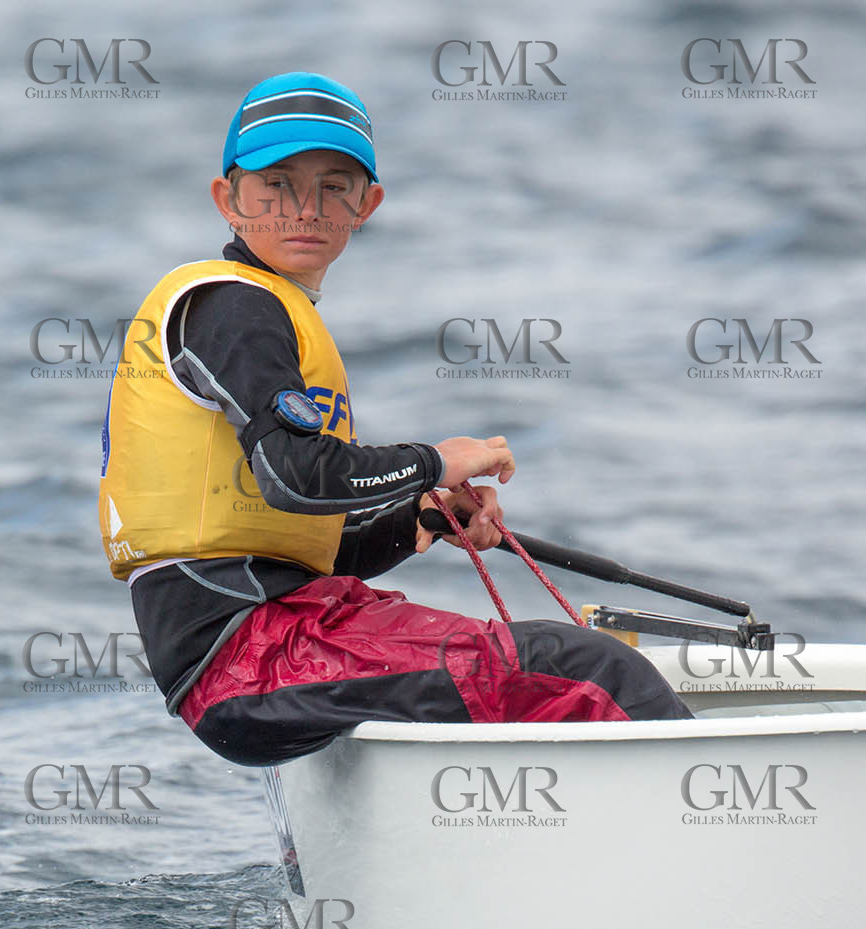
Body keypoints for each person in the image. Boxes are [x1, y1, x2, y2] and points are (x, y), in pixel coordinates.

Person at [98, 72, 692, 766]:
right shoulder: (235, 308)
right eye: (278, 184)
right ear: (227, 198)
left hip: (258, 652)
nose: (305, 208)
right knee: (590, 669)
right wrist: (435, 462)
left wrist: (422, 518)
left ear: (367, 204)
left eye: (333, 186)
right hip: (253, 653)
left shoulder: (265, 313)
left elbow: (303, 540)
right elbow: (297, 478)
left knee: (560, 670)